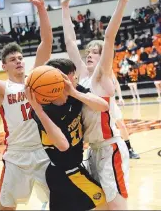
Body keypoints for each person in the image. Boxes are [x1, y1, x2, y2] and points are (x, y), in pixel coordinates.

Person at [0, 0, 53, 210]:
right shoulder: (2, 87)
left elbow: (47, 42)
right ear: (4, 66)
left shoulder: (35, 77)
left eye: (21, 58)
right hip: (16, 155)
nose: (19, 61)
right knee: (7, 207)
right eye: (13, 59)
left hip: (43, 151)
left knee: (59, 201)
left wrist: (41, 8)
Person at [61, 0, 133, 210]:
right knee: (96, 205)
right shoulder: (82, 76)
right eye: (88, 51)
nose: (89, 54)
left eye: (95, 52)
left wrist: (121, 0)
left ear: (103, 58)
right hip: (92, 150)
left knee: (116, 206)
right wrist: (64, 7)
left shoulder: (101, 76)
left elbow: (109, 36)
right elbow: (70, 43)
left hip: (110, 149)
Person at [27, 58, 108, 211]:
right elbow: (63, 145)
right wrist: (37, 110)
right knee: (103, 204)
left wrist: (74, 92)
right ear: (57, 79)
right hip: (66, 172)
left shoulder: (75, 94)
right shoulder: (43, 110)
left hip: (70, 169)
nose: (75, 78)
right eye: (72, 75)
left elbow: (103, 106)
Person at [111, 74, 140, 159]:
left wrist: (120, 97)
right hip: (101, 104)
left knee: (122, 126)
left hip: (112, 104)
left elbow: (116, 82)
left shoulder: (108, 68)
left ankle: (129, 149)